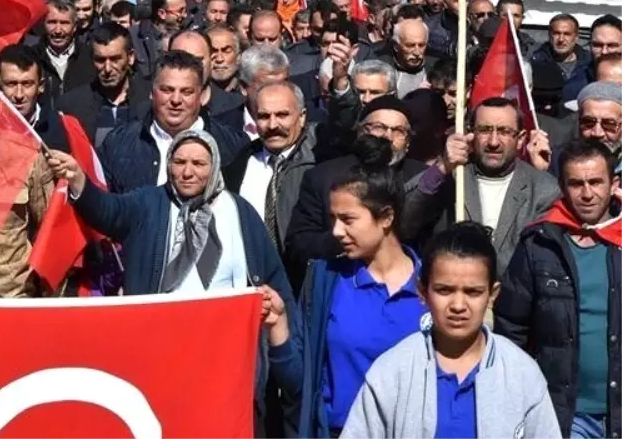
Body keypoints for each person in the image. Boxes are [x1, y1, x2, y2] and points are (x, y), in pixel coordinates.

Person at [47, 129, 295, 433]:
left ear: (214, 166)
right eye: (179, 162)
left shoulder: (239, 211)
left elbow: (272, 277)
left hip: (222, 356)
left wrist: (288, 344)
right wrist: (78, 181)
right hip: (160, 351)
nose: (188, 172)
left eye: (199, 164)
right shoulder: (148, 204)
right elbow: (109, 211)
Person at [265, 140, 429, 438]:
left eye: (348, 219)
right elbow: (300, 383)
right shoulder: (325, 281)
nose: (337, 231)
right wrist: (279, 330)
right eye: (332, 220)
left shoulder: (432, 289)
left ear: (386, 218)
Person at [339, 223, 561, 438]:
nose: (458, 305)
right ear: (423, 292)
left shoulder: (521, 374)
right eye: (444, 290)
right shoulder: (392, 372)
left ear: (492, 295)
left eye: (472, 292)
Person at [495, 140, 622, 438]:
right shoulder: (539, 243)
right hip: (563, 411)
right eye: (576, 184)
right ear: (562, 186)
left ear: (613, 183)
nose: (587, 194)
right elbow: (511, 329)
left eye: (595, 182)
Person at [401, 97, 560, 275]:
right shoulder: (451, 177)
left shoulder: (543, 189)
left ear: (521, 138)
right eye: (484, 130)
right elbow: (404, 224)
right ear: (471, 134)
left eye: (504, 132)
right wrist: (441, 168)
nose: (493, 142)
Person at [285, 99, 426, 290]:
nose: (388, 137)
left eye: (399, 131)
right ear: (360, 132)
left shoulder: (423, 178)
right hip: (339, 284)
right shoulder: (323, 176)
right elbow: (299, 244)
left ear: (408, 143)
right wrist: (348, 238)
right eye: (379, 127)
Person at [99, 50, 245, 193]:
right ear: (152, 92)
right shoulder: (118, 143)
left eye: (186, 92)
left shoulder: (232, 145)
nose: (176, 100)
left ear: (201, 95)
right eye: (167, 90)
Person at [224, 80, 328, 253]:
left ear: (301, 117)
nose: (272, 125)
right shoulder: (238, 164)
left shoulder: (320, 161)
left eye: (282, 115)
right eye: (264, 116)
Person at [57, 22, 151, 148]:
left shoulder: (150, 100)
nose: (107, 69)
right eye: (100, 60)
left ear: (131, 57)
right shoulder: (72, 106)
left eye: (115, 59)